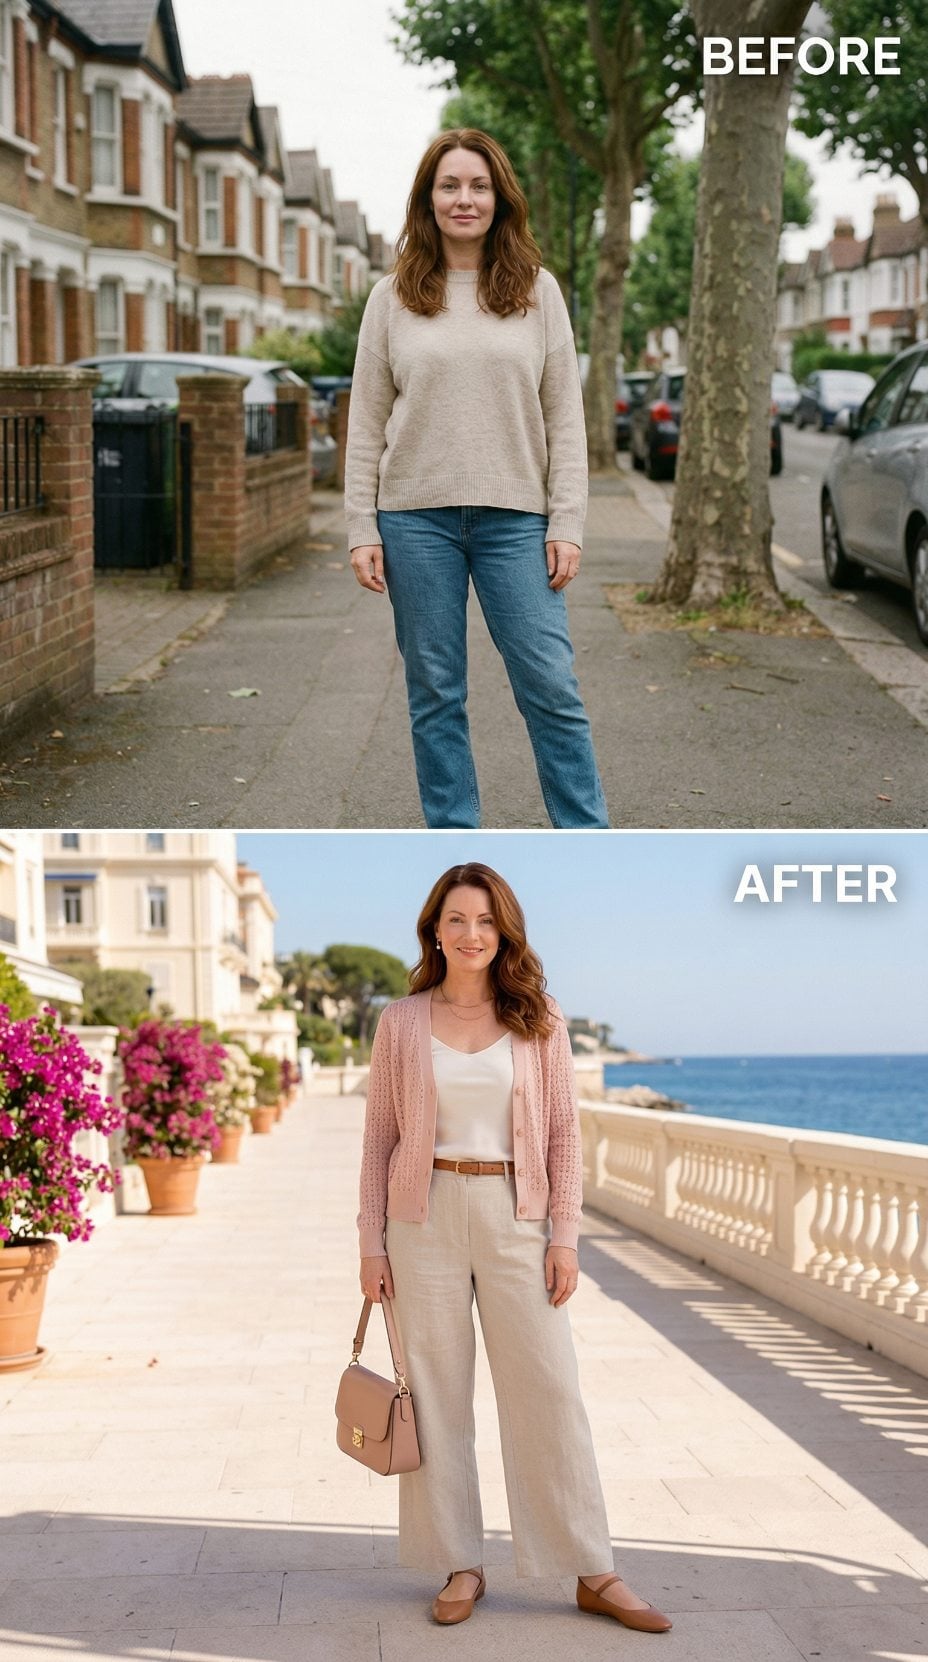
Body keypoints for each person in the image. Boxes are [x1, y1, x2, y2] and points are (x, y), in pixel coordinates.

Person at [357, 862, 671, 1631]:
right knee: (434, 1394)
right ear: (436, 927)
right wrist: (372, 1243)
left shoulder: (540, 1019)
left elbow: (564, 1138)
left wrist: (565, 1235)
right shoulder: (400, 1021)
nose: (472, 934)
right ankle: (461, 1563)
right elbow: (378, 1143)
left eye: (487, 921)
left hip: (514, 1213)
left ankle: (592, 1567)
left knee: (549, 1390)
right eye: (458, 919)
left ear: (506, 932)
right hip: (420, 1216)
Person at [345, 129, 609, 831]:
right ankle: (453, 834)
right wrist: (360, 528)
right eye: (450, 185)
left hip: (517, 520)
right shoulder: (391, 297)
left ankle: (587, 835)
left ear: (500, 198)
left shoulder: (537, 292)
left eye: (479, 186)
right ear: (428, 200)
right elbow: (366, 422)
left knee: (550, 686)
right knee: (435, 693)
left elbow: (566, 418)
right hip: (414, 519)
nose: (465, 199)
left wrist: (568, 522)